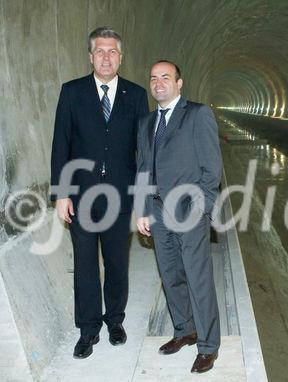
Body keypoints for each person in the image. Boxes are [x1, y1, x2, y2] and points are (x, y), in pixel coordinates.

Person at [50, 27, 149, 359]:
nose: (107, 57)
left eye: (113, 52)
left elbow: (143, 151)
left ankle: (115, 321)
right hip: (82, 197)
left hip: (121, 195)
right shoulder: (72, 93)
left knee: (118, 263)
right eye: (100, 52)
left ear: (121, 57)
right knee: (86, 266)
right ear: (90, 56)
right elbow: (60, 144)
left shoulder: (135, 96)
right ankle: (88, 329)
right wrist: (61, 194)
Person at [136, 60, 222, 373]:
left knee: (198, 278)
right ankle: (185, 330)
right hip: (157, 211)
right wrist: (143, 209)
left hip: (189, 210)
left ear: (179, 83)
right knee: (170, 274)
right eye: (154, 78)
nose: (159, 83)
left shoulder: (198, 115)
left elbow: (212, 170)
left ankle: (209, 346)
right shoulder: (147, 123)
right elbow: (143, 167)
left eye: (166, 77)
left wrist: (201, 209)